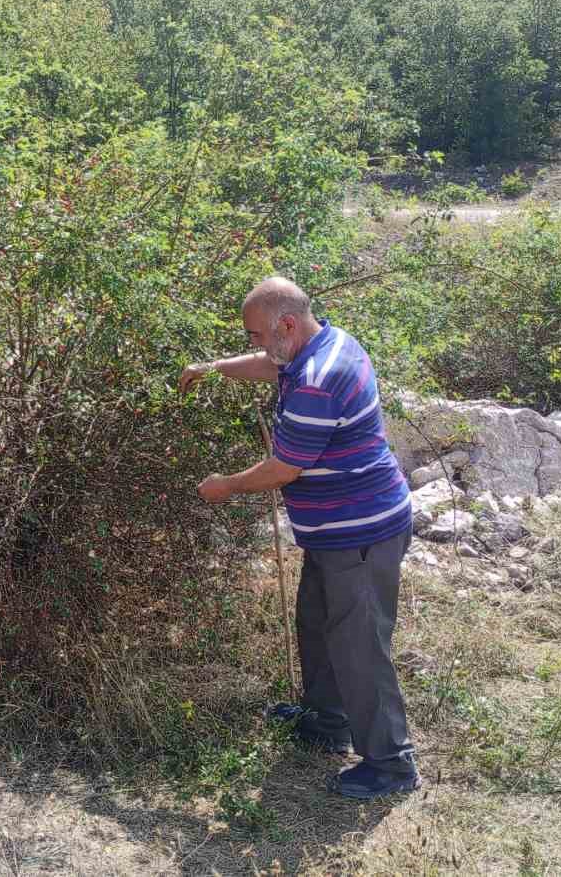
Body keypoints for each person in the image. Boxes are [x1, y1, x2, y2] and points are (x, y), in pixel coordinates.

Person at [179, 275, 420, 799]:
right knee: (317, 623)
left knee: (359, 645)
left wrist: (226, 485)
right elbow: (272, 365)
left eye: (257, 335)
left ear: (286, 324)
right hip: (336, 532)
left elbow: (285, 467)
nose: (256, 347)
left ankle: (391, 764)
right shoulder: (325, 339)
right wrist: (214, 369)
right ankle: (326, 721)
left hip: (361, 531)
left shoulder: (317, 376)